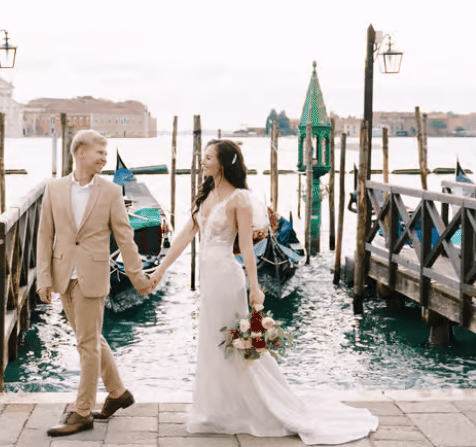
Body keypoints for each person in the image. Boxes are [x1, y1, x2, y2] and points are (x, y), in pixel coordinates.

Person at [148, 139, 379, 445]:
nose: (202, 161)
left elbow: (245, 247)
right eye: (202, 157)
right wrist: (161, 269)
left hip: (228, 278)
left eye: (207, 157)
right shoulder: (204, 195)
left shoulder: (239, 200)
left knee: (235, 342)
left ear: (223, 163)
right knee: (210, 342)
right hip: (208, 278)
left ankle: (250, 406)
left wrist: (255, 288)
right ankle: (216, 408)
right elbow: (184, 236)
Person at [36, 130, 152, 437]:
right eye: (100, 152)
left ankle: (82, 412)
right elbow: (45, 235)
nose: (104, 157)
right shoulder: (54, 188)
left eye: (106, 152)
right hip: (64, 275)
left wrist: (138, 276)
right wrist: (43, 278)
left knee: (86, 343)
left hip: (94, 275)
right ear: (80, 153)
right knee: (91, 337)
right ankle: (118, 392)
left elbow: (125, 239)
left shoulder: (111, 192)